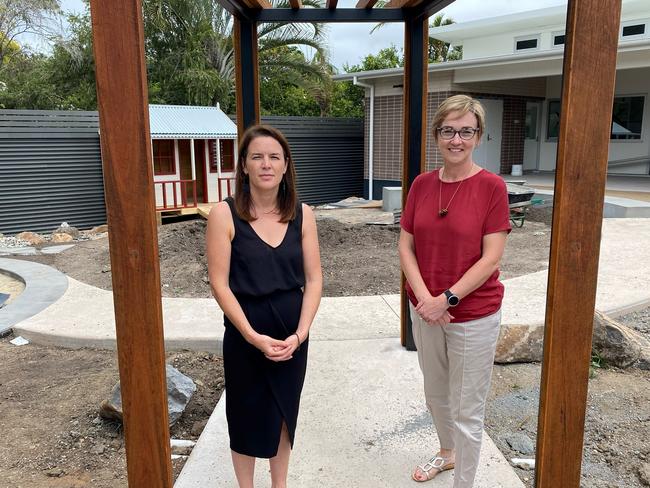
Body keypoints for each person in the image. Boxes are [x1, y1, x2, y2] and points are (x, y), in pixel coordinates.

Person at [398, 95, 511, 487]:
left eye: (466, 131)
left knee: (467, 410)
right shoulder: (422, 185)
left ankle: (464, 482)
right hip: (426, 310)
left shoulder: (492, 188)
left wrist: (446, 299)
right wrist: (427, 300)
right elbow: (405, 245)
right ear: (437, 136)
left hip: (473, 315)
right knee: (436, 393)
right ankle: (447, 454)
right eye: (448, 130)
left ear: (478, 136)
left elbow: (490, 258)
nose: (456, 139)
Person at [206, 124, 322, 488]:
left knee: (285, 412)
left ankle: (279, 484)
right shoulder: (224, 215)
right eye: (257, 157)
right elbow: (219, 284)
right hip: (245, 335)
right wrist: (252, 336)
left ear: (286, 165)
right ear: (243, 166)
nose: (266, 164)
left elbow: (315, 279)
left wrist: (300, 335)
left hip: (292, 336)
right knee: (244, 415)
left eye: (274, 157)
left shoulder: (303, 215)